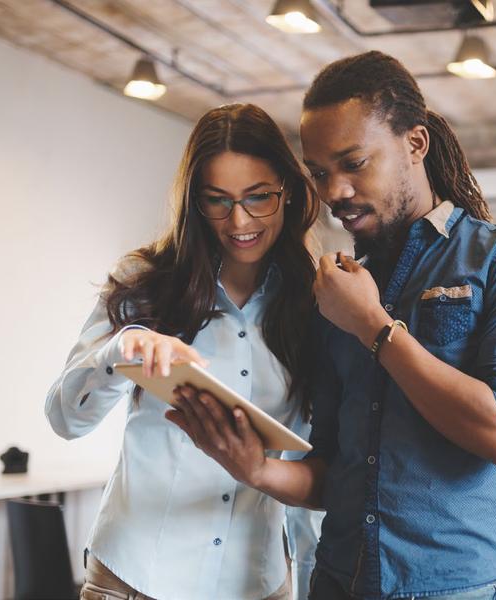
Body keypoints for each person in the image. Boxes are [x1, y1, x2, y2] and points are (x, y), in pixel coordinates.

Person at [167, 50, 496, 600]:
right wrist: (257, 470)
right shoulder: (336, 294)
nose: (335, 192)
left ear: (415, 144)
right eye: (320, 173)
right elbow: (334, 471)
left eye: (354, 163)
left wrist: (375, 327)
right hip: (337, 581)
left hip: (456, 589)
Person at [45, 104, 321, 600]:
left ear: (288, 192)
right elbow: (66, 420)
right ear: (194, 202)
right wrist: (120, 349)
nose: (239, 220)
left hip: (255, 585)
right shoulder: (145, 283)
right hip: (134, 581)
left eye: (259, 197)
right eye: (217, 201)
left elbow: (310, 465)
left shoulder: (314, 307)